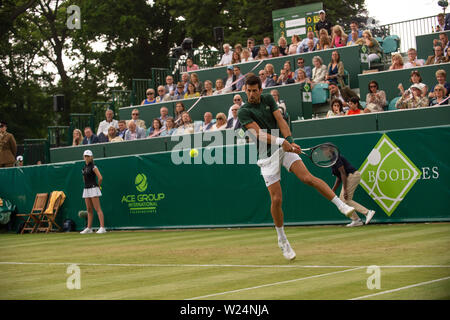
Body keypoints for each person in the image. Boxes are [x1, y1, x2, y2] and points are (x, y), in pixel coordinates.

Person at [237, 74, 355, 260]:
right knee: (276, 199)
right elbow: (258, 134)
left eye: (254, 91)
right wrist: (281, 141)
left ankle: (341, 205)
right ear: (245, 90)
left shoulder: (268, 99)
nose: (251, 94)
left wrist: (291, 141)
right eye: (248, 91)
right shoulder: (243, 111)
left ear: (260, 90)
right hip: (266, 155)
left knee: (307, 178)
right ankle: (282, 239)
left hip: (283, 148)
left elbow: (282, 122)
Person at [330, 154, 376, 227]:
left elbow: (343, 173)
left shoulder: (336, 158)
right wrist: (333, 190)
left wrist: (345, 190)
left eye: (325, 149)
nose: (324, 152)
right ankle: (356, 220)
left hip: (352, 176)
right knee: (343, 201)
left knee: (344, 200)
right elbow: (339, 178)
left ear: (331, 150)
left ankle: (367, 212)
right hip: (350, 177)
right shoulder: (332, 161)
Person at [80, 149, 106, 234]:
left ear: (91, 157)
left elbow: (100, 178)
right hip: (86, 189)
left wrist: (98, 186)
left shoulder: (94, 167)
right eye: (85, 156)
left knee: (97, 208)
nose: (86, 158)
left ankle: (102, 227)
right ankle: (89, 228)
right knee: (89, 209)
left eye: (88, 156)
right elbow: (84, 180)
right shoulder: (83, 168)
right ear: (84, 157)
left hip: (94, 188)